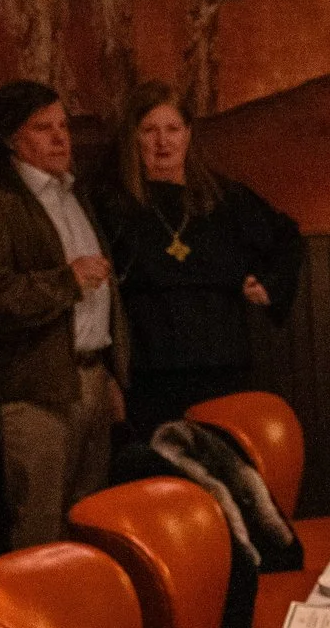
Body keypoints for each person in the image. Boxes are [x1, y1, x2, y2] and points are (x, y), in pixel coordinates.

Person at [0, 81, 130, 551]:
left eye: (63, 126)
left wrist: (108, 371)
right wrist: (65, 281)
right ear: (11, 138)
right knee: (40, 532)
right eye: (42, 128)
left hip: (88, 377)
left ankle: (86, 621)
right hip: (33, 390)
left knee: (89, 523)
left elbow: (99, 299)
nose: (60, 138)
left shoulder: (72, 192)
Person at [96, 79, 304, 435]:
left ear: (188, 134)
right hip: (150, 373)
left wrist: (269, 284)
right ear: (134, 137)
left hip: (221, 364)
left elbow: (287, 236)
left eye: (173, 129)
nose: (163, 142)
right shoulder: (111, 204)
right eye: (150, 130)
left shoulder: (224, 198)